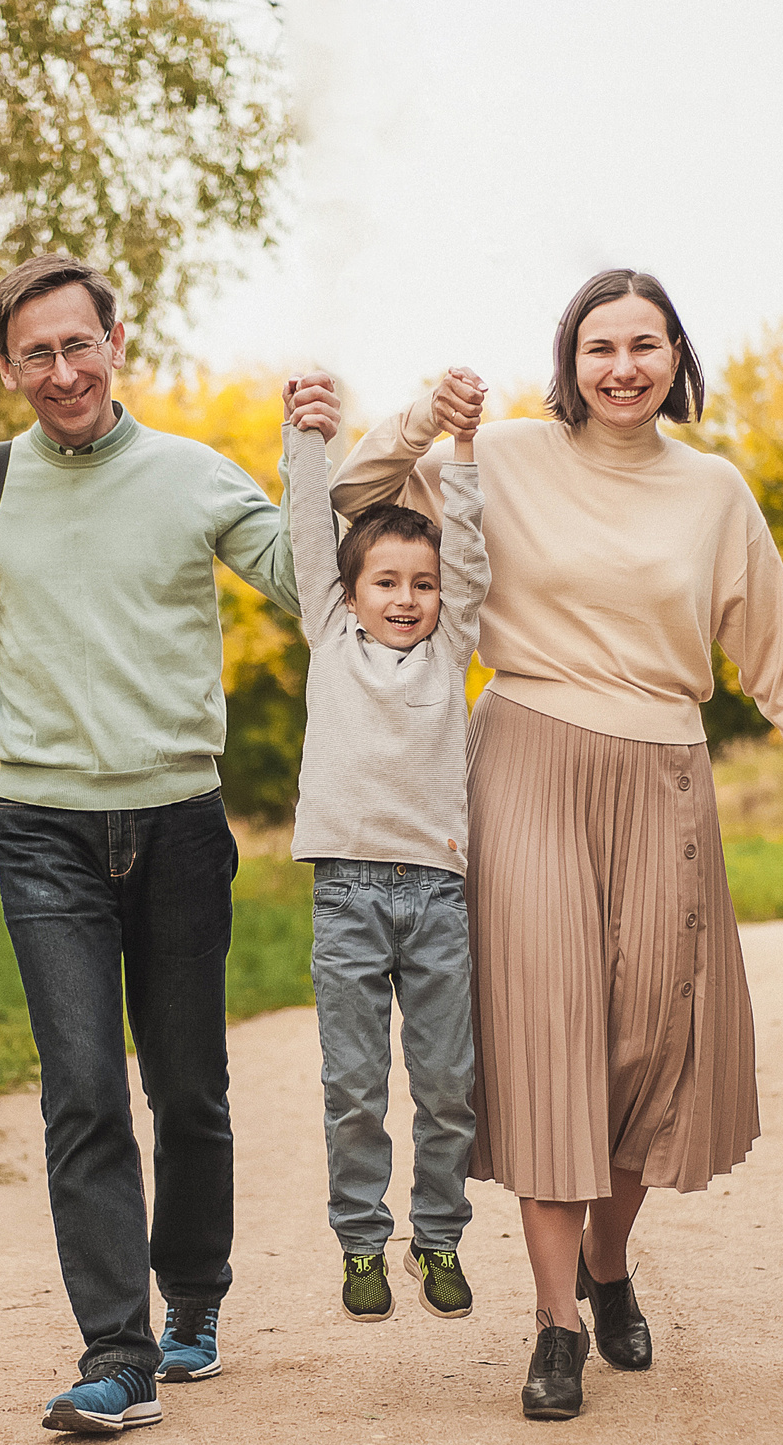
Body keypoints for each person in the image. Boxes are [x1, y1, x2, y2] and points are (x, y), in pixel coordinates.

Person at [333, 269, 783, 1420]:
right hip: (523, 762)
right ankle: (554, 1322)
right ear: (568, 362)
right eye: (599, 347)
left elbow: (770, 640)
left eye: (644, 345)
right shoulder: (501, 457)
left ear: (676, 359)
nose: (621, 367)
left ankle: (607, 1261)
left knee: (646, 1046)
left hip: (665, 771)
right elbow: (354, 495)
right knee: (549, 1037)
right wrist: (426, 415)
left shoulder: (713, 491)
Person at [0, 255, 309, 1436]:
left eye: (77, 344)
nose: (61, 371)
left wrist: (309, 457)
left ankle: (193, 1296)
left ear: (116, 342)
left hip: (179, 823)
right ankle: (116, 1355)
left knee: (187, 1087)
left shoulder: (192, 475)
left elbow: (310, 584)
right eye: (34, 353)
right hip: (42, 833)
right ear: (4, 368)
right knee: (81, 1089)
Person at [283, 371, 490, 1326]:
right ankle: (362, 1243)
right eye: (387, 583)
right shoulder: (330, 636)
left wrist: (464, 450)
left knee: (448, 1086)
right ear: (352, 591)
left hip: (438, 894)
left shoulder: (450, 650)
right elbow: (308, 531)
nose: (406, 599)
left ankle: (437, 1237)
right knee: (355, 1087)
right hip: (347, 895)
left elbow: (470, 555)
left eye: (423, 585)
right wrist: (306, 437)